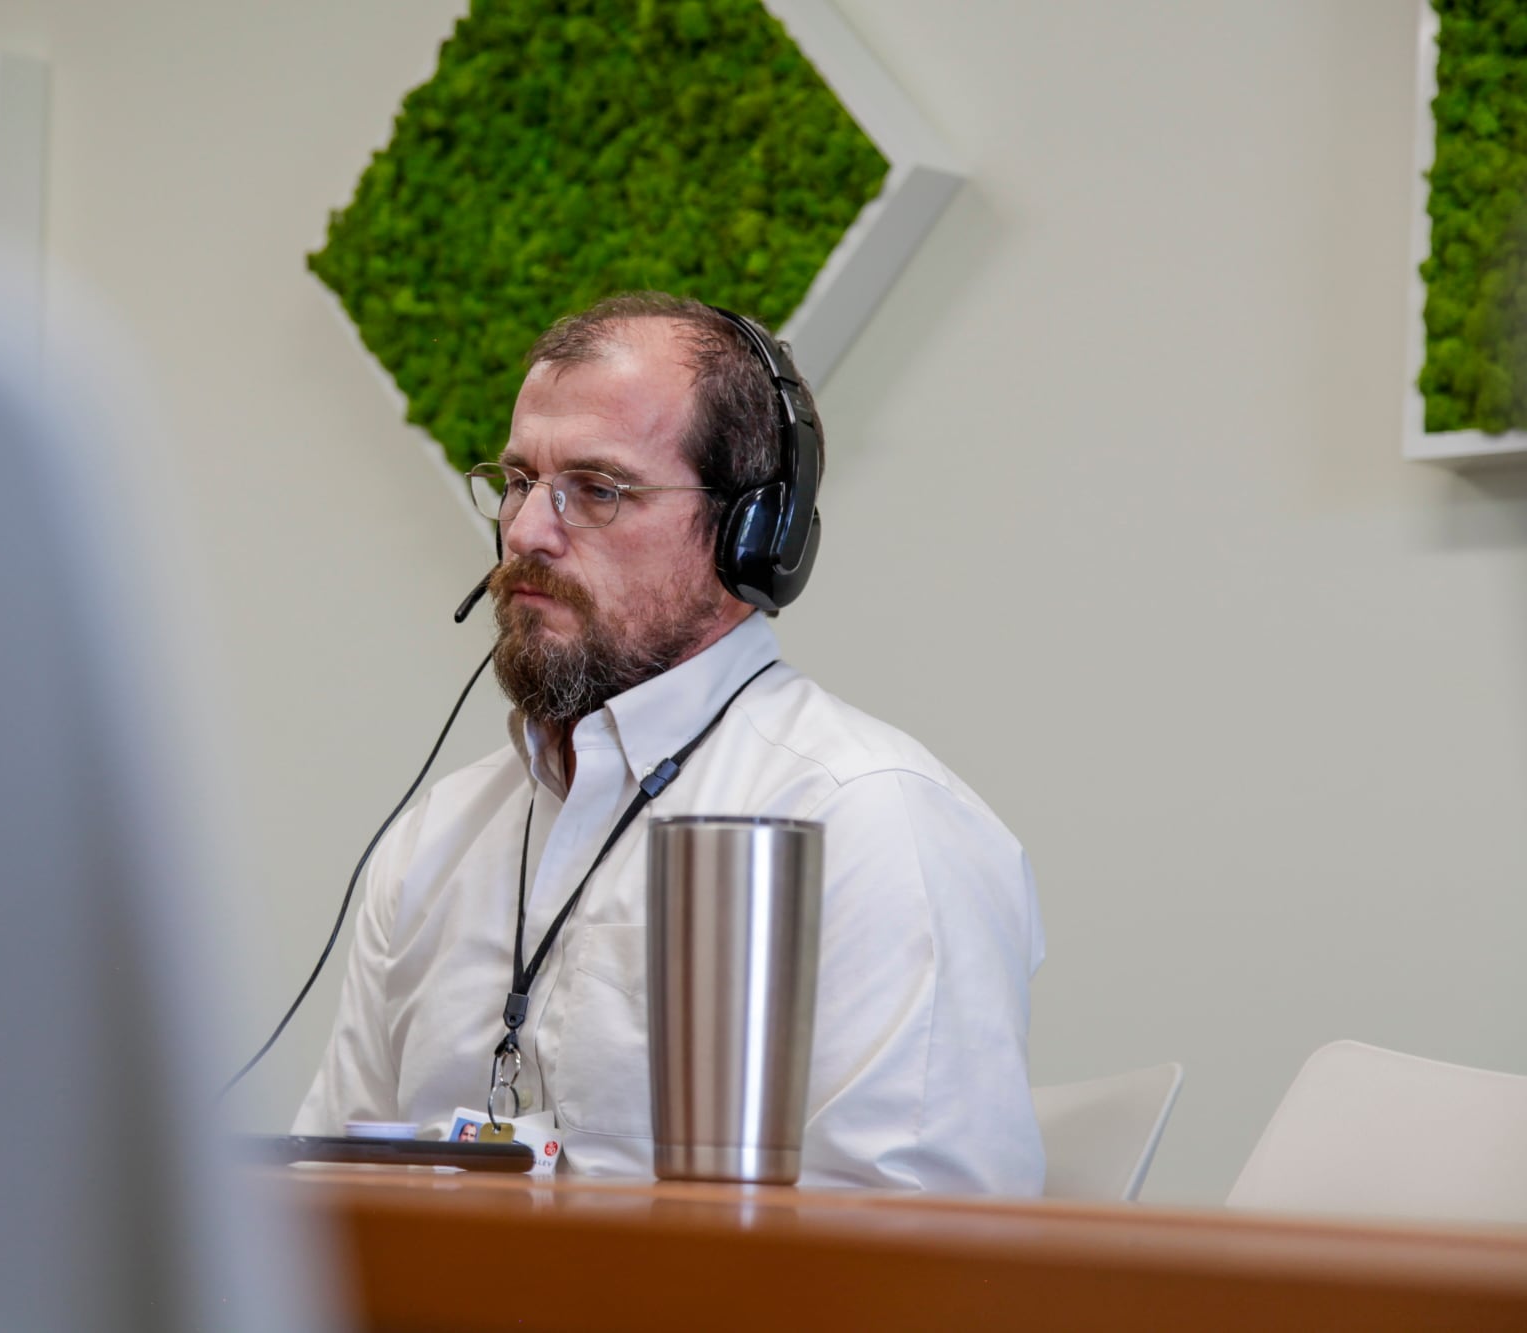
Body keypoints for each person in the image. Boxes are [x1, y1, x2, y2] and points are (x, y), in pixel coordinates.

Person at [294, 292, 1044, 1193]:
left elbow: (922, 1264)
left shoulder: (870, 823)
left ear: (749, 537)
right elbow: (323, 1206)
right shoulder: (437, 836)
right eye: (518, 481)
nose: (526, 532)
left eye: (598, 489)